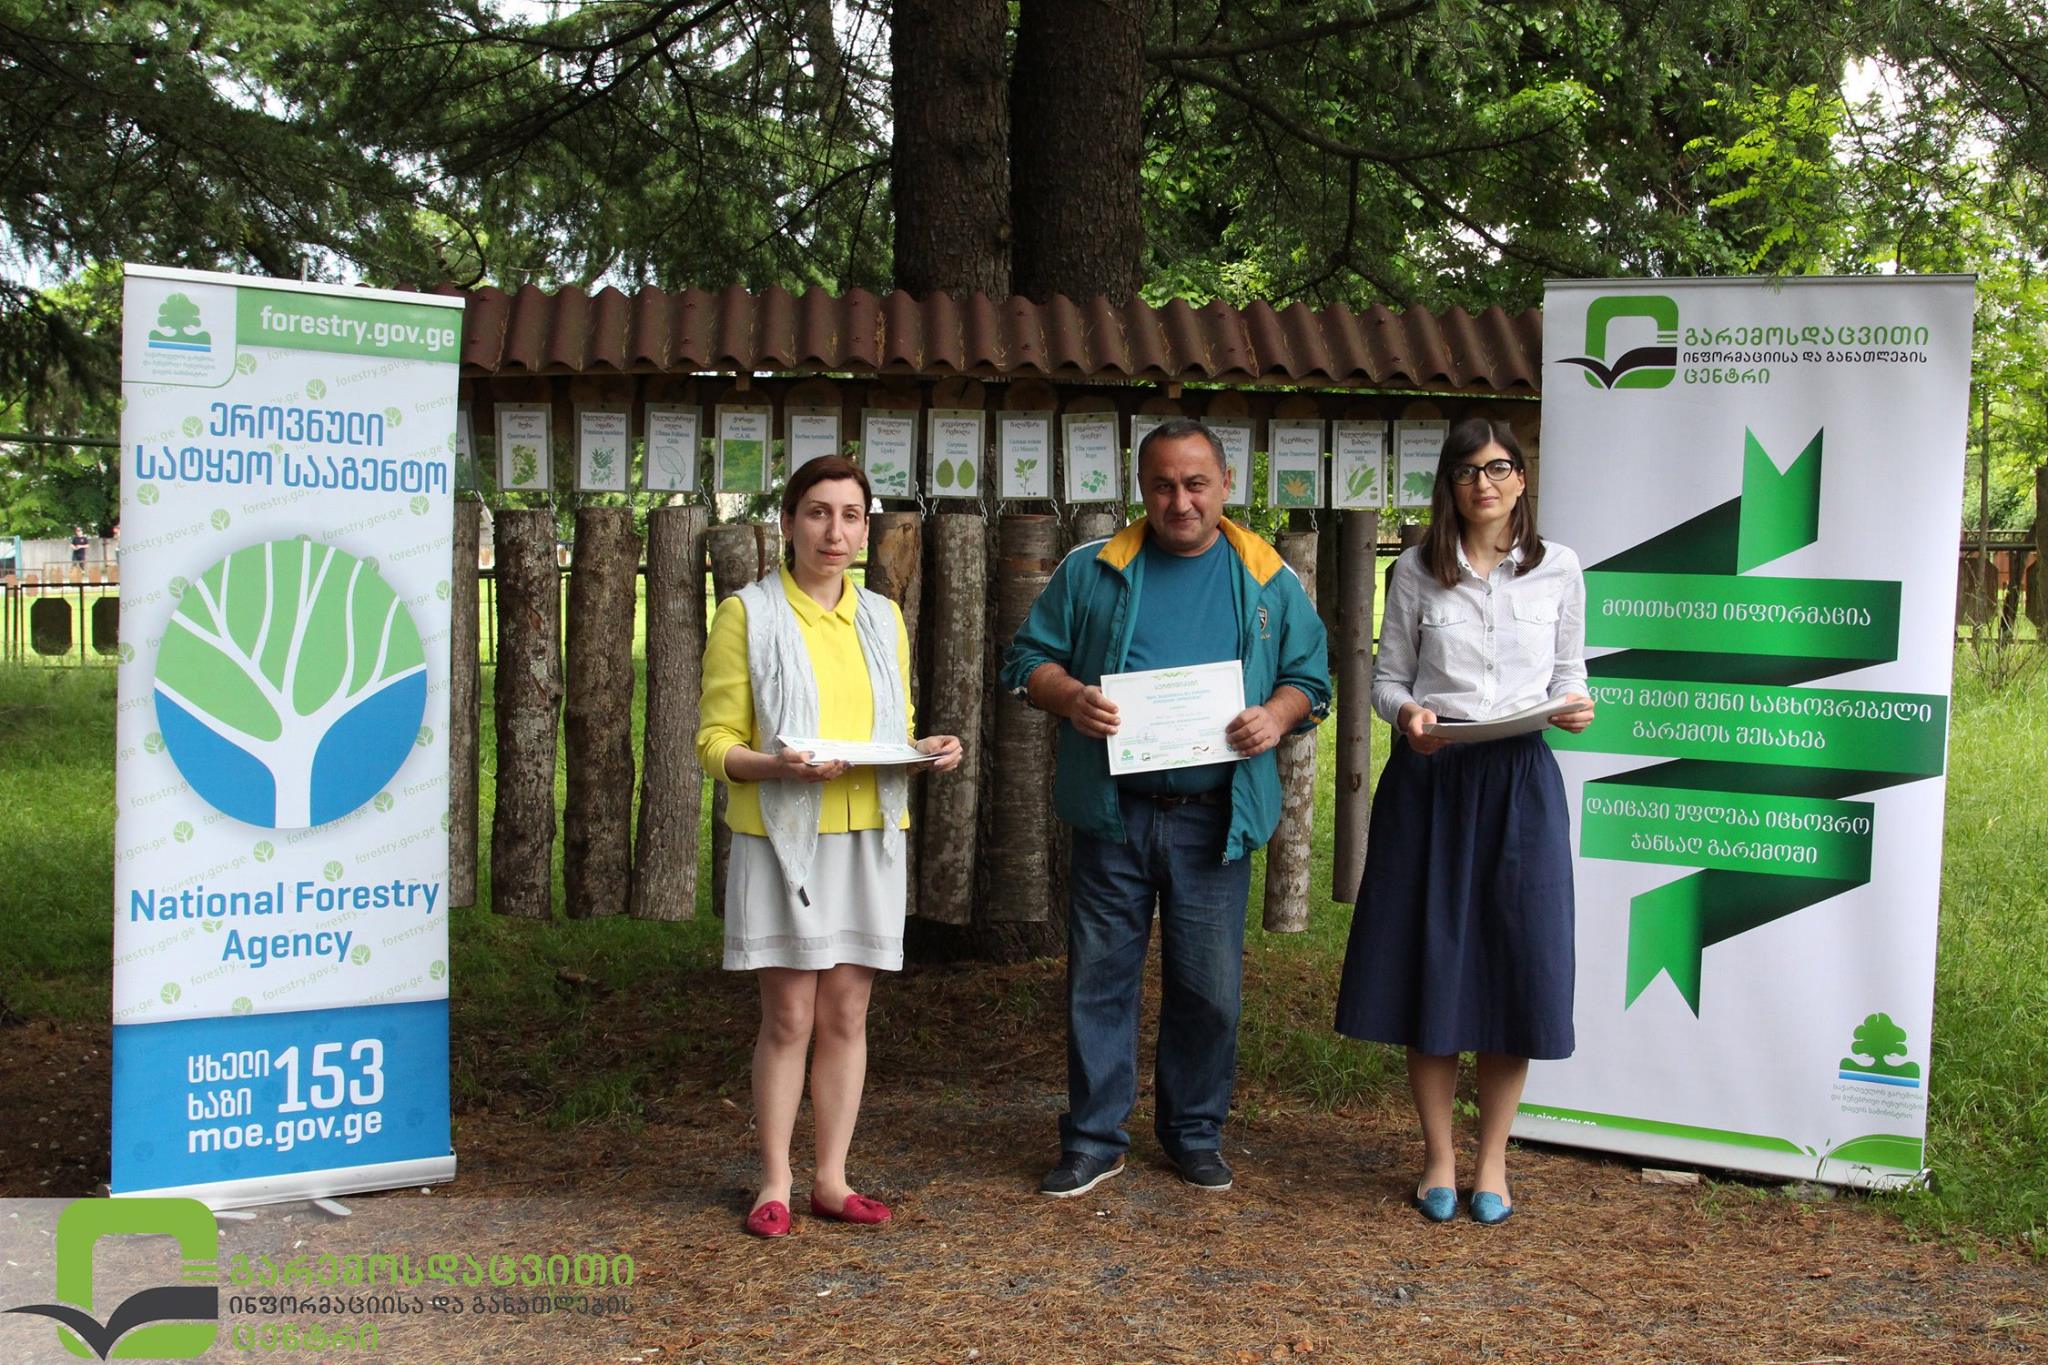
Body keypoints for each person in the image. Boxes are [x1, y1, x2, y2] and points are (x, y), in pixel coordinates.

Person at [1002, 418, 1331, 1198]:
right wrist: (1070, 697)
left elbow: (1311, 679)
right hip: (1115, 812)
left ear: (1226, 484)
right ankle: (1093, 1138)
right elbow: (1026, 659)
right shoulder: (1094, 567)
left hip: (1214, 817)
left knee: (1208, 989)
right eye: (1162, 486)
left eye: (1196, 484)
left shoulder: (1268, 577)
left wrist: (1276, 715)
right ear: (1141, 489)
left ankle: (1193, 1132)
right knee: (1099, 982)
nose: (1180, 501)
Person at [1333, 416, 1595, 1226]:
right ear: (1449, 483)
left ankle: (1494, 1163)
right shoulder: (1416, 569)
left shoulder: (1560, 568)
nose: (1484, 483)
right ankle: (1439, 1158)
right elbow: (1388, 680)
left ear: (1522, 478)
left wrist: (1575, 707)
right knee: (1433, 961)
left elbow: (1570, 674)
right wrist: (1408, 715)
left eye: (1499, 467)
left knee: (1516, 963)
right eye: (1467, 470)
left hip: (1520, 783)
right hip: (1434, 780)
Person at [696, 454, 964, 1238]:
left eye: (851, 515)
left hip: (869, 835)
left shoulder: (882, 617)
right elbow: (714, 743)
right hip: (786, 839)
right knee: (789, 1015)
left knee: (847, 1011)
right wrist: (776, 766)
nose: (835, 532)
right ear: (787, 523)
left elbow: (890, 730)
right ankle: (774, 1180)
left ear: (866, 528)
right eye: (817, 512)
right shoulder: (748, 614)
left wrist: (926, 749)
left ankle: (832, 1178)